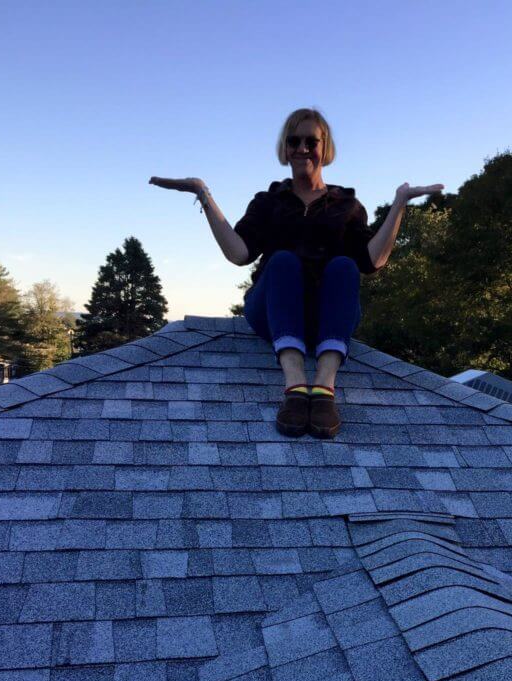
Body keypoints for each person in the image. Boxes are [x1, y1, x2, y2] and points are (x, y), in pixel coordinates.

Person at [150, 107, 443, 439]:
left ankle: (324, 388)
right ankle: (294, 386)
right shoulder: (269, 201)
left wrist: (399, 205)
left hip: (325, 317)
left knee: (345, 265)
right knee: (283, 262)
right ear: (285, 148)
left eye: (310, 141)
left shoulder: (346, 205)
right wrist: (203, 194)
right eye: (294, 141)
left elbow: (370, 261)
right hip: (272, 310)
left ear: (324, 146)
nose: (302, 148)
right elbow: (239, 252)